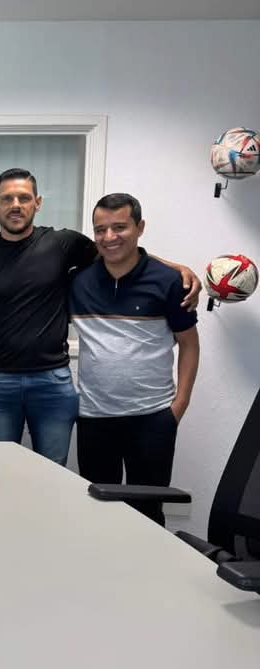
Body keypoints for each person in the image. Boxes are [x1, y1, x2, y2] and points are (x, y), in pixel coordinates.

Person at [0, 168, 200, 466]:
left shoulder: (63, 243)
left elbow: (119, 249)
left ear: (37, 203)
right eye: (7, 198)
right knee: (0, 471)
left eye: (24, 198)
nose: (16, 204)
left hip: (52, 381)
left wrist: (176, 268)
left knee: (55, 475)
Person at [70, 193, 199, 525]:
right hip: (95, 418)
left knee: (149, 512)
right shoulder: (78, 281)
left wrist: (178, 405)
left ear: (140, 228)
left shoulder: (169, 281)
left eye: (119, 227)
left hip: (152, 417)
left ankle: (150, 577)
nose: (109, 237)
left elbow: (189, 345)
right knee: (99, 509)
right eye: (101, 229)